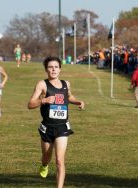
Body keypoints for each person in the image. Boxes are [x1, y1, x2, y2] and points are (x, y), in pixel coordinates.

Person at [28, 56, 85, 188]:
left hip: (62, 127)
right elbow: (30, 104)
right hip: (47, 128)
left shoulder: (66, 84)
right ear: (46, 69)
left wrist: (78, 102)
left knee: (60, 160)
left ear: (60, 69)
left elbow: (69, 96)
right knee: (46, 157)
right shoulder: (42, 84)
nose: (53, 69)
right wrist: (44, 100)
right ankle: (44, 165)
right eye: (50, 67)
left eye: (56, 67)